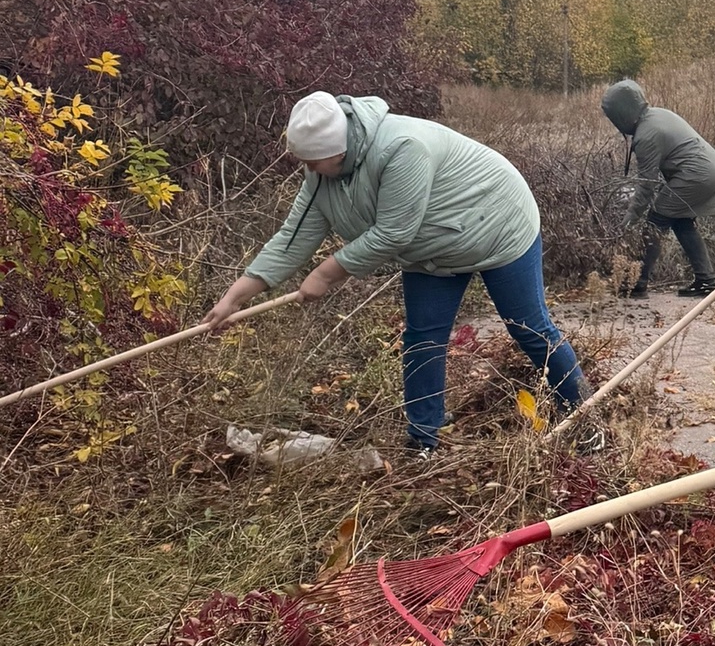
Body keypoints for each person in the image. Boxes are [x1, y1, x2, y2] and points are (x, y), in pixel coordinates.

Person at [205, 91, 596, 456]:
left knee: (528, 326)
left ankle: (583, 420)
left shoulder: (402, 147)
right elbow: (293, 237)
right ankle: (424, 439)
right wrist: (235, 297)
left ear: (336, 149)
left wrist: (326, 273)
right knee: (423, 337)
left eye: (311, 160)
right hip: (434, 249)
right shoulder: (320, 175)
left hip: (498, 223)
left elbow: (393, 232)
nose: (306, 168)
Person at [600, 79, 715, 296]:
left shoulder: (646, 135)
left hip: (697, 175)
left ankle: (638, 283)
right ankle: (706, 280)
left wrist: (627, 223)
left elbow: (646, 187)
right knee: (681, 222)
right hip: (710, 169)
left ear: (622, 114)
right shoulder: (657, 114)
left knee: (655, 222)